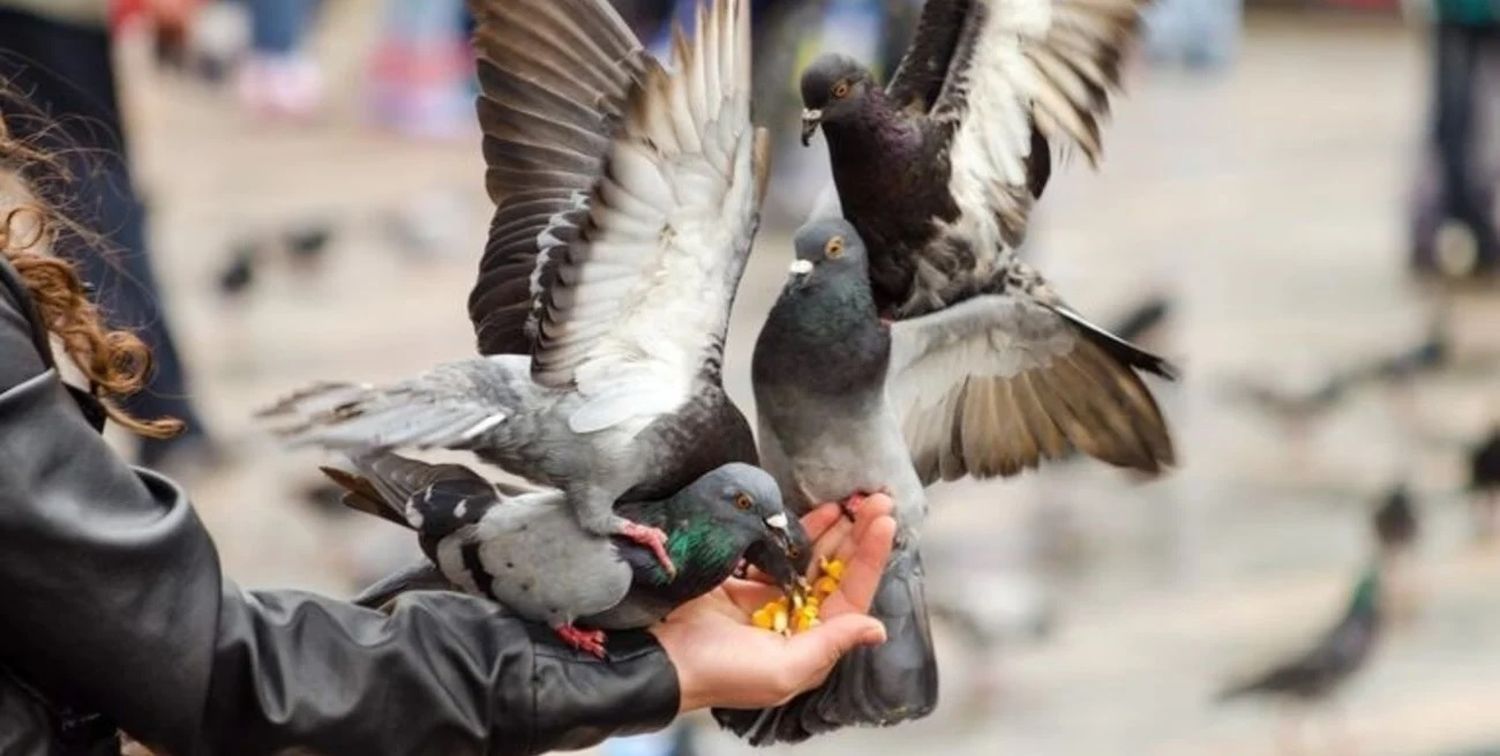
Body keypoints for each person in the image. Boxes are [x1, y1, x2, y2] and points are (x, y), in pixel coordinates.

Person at [0, 111, 894, 754]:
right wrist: (648, 673)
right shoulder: (626, 510)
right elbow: (202, 667)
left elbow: (164, 650)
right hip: (497, 492)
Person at [0, 0, 215, 471]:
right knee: (95, 205)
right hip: (45, 21)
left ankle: (160, 413)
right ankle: (162, 417)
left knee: (90, 198)